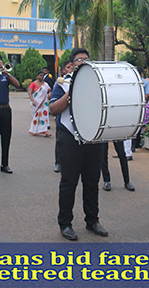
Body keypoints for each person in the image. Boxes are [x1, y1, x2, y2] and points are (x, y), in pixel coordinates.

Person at [50, 48, 108, 241]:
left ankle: (92, 221)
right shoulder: (63, 84)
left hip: (93, 139)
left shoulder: (98, 83)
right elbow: (53, 110)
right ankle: (65, 223)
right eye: (78, 60)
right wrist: (72, 90)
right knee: (69, 183)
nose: (82, 61)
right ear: (72, 64)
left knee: (92, 183)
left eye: (85, 58)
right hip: (70, 139)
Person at [53, 60, 73, 172]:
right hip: (62, 117)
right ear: (63, 70)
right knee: (60, 141)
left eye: (72, 67)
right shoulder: (61, 83)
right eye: (68, 67)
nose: (70, 69)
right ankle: (58, 162)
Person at [28, 71, 52, 137]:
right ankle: (35, 130)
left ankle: (45, 131)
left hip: (44, 104)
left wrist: (49, 94)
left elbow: (49, 90)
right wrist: (33, 101)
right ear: (37, 76)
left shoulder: (45, 84)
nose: (41, 77)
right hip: (36, 103)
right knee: (36, 117)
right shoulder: (33, 84)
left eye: (42, 75)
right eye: (40, 75)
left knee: (44, 116)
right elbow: (30, 93)